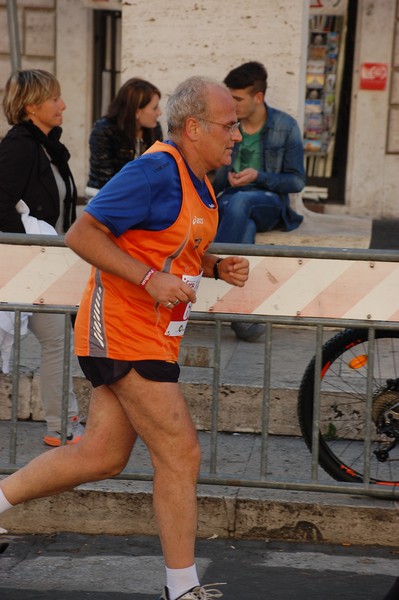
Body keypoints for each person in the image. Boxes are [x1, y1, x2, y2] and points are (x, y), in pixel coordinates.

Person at [0, 75, 250, 600]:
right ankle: (181, 589)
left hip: (152, 333)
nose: (237, 136)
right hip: (121, 328)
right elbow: (83, 233)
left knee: (100, 455)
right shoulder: (156, 169)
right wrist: (148, 280)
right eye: (230, 125)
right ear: (193, 126)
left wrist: (212, 266)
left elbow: (160, 243)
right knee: (181, 454)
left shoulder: (199, 178)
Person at [0, 69, 84, 446]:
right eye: (55, 99)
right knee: (54, 341)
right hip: (29, 262)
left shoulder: (46, 146)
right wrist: (28, 250)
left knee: (56, 341)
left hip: (47, 262)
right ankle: (62, 426)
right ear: (32, 106)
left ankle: (61, 427)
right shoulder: (20, 144)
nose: (63, 105)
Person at [212, 61, 306, 342]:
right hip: (232, 201)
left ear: (259, 97)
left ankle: (217, 287)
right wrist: (225, 177)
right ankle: (239, 315)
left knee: (240, 204)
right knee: (243, 220)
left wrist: (259, 176)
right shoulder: (227, 124)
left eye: (237, 99)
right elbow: (211, 178)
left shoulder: (285, 126)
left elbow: (296, 181)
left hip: (270, 203)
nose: (232, 104)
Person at [85, 77, 163, 200]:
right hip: (106, 200)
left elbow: (158, 170)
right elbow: (104, 178)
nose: (159, 112)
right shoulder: (104, 130)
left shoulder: (154, 129)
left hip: (143, 199)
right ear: (137, 111)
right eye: (154, 108)